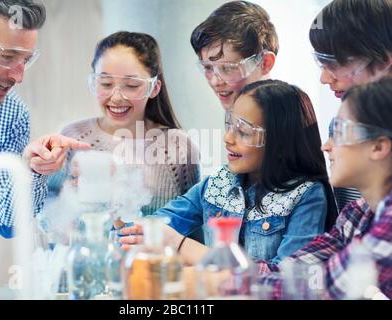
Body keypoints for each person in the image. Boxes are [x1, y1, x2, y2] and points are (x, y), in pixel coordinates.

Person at [0, 0, 88, 290]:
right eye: (7, 56)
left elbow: (7, 226)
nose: (18, 76)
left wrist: (32, 171)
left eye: (26, 60)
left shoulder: (12, 115)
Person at [120, 80, 338, 266]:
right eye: (230, 125)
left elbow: (287, 278)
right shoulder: (217, 183)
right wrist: (109, 198)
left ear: (281, 143)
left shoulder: (307, 196)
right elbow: (141, 231)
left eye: (243, 132)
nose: (228, 139)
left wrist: (180, 244)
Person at [258, 77, 392, 300]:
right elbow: (294, 270)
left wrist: (227, 280)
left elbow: (330, 285)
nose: (325, 146)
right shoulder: (357, 213)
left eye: (339, 132)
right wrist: (231, 275)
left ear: (378, 147)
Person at [47, 31, 200, 217]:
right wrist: (70, 197)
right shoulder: (73, 137)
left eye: (132, 85)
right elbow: (49, 222)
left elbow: (193, 230)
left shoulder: (179, 148)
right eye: (105, 83)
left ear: (154, 88)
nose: (117, 97)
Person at [310, 0, 392, 210]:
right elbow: (345, 231)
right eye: (321, 64)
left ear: (383, 61)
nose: (324, 78)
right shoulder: (342, 131)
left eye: (335, 64)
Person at [190, 0, 278, 110]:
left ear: (265, 63)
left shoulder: (291, 122)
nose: (215, 82)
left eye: (227, 68)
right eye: (208, 67)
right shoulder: (235, 115)